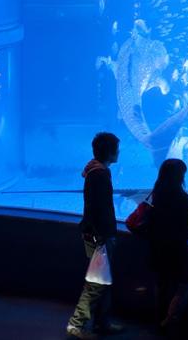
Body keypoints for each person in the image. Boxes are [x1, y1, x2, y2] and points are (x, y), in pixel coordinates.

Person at [67, 132, 125, 340]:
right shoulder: (99, 174)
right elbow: (98, 208)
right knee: (96, 282)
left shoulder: (96, 170)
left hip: (94, 232)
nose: (118, 151)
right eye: (116, 148)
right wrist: (103, 235)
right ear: (109, 151)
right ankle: (77, 325)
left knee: (102, 280)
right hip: (99, 234)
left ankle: (102, 322)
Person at [147, 158, 188, 335]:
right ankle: (171, 318)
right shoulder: (181, 197)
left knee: (162, 285)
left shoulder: (157, 193)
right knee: (185, 284)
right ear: (179, 176)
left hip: (157, 248)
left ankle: (159, 320)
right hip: (175, 250)